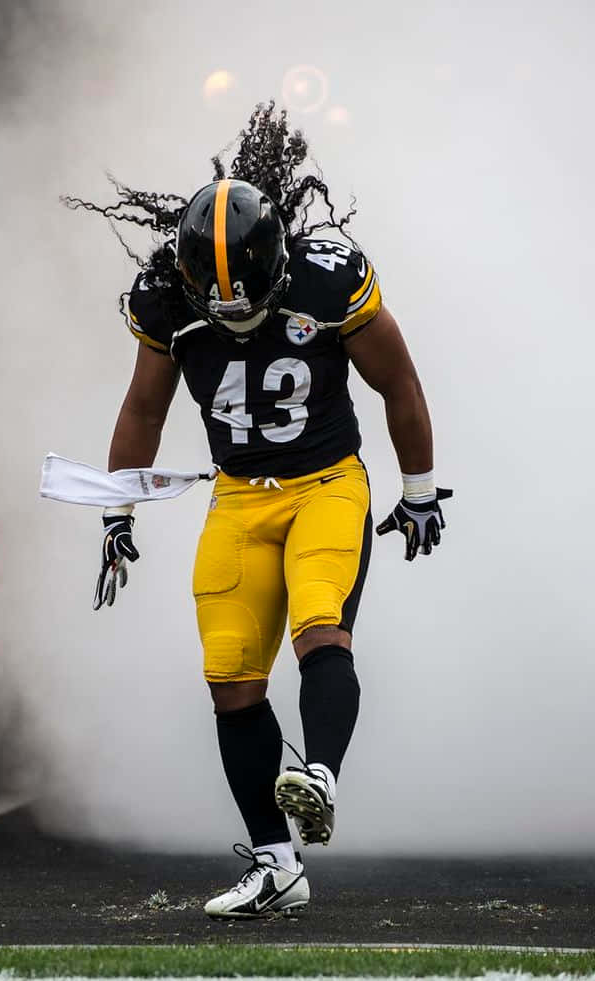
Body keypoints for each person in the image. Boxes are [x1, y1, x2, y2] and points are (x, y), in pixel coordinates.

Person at [62, 102, 452, 919]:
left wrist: (418, 491)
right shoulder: (168, 297)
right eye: (217, 299)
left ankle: (320, 777)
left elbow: (398, 383)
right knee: (230, 680)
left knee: (319, 627)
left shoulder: (326, 273)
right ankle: (278, 864)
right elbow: (143, 408)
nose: (232, 313)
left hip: (327, 485)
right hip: (237, 496)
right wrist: (115, 511)